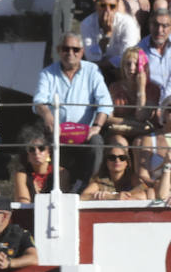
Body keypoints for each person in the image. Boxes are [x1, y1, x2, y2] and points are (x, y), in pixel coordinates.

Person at [34, 31, 114, 187]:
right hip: (56, 134)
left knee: (97, 141)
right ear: (59, 50)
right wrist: (47, 115)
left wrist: (96, 127)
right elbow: (38, 101)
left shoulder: (92, 71)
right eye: (66, 49)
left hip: (85, 135)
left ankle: (89, 185)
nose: (70, 53)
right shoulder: (47, 73)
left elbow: (105, 102)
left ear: (82, 52)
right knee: (34, 143)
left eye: (75, 49)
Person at [82, 0, 142, 70]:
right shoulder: (87, 24)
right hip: (97, 68)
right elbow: (91, 58)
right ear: (96, 5)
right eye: (103, 5)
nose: (107, 10)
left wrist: (106, 63)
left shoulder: (128, 23)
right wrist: (107, 35)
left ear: (117, 7)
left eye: (112, 6)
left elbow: (127, 56)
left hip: (122, 70)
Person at [81, 137, 150, 200]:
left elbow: (144, 193)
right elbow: (82, 197)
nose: (117, 160)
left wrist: (122, 197)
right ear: (106, 162)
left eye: (122, 158)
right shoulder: (99, 181)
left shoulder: (132, 178)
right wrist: (112, 197)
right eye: (112, 157)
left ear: (127, 163)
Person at [11, 130, 70, 201]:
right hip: (29, 211)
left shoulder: (61, 172)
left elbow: (59, 200)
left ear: (48, 152)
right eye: (32, 149)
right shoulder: (21, 175)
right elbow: (24, 202)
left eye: (41, 148)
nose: (36, 152)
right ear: (28, 154)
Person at [139, 6, 171, 88]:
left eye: (164, 26)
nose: (159, 30)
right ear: (149, 25)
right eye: (155, 25)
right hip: (152, 99)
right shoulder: (140, 49)